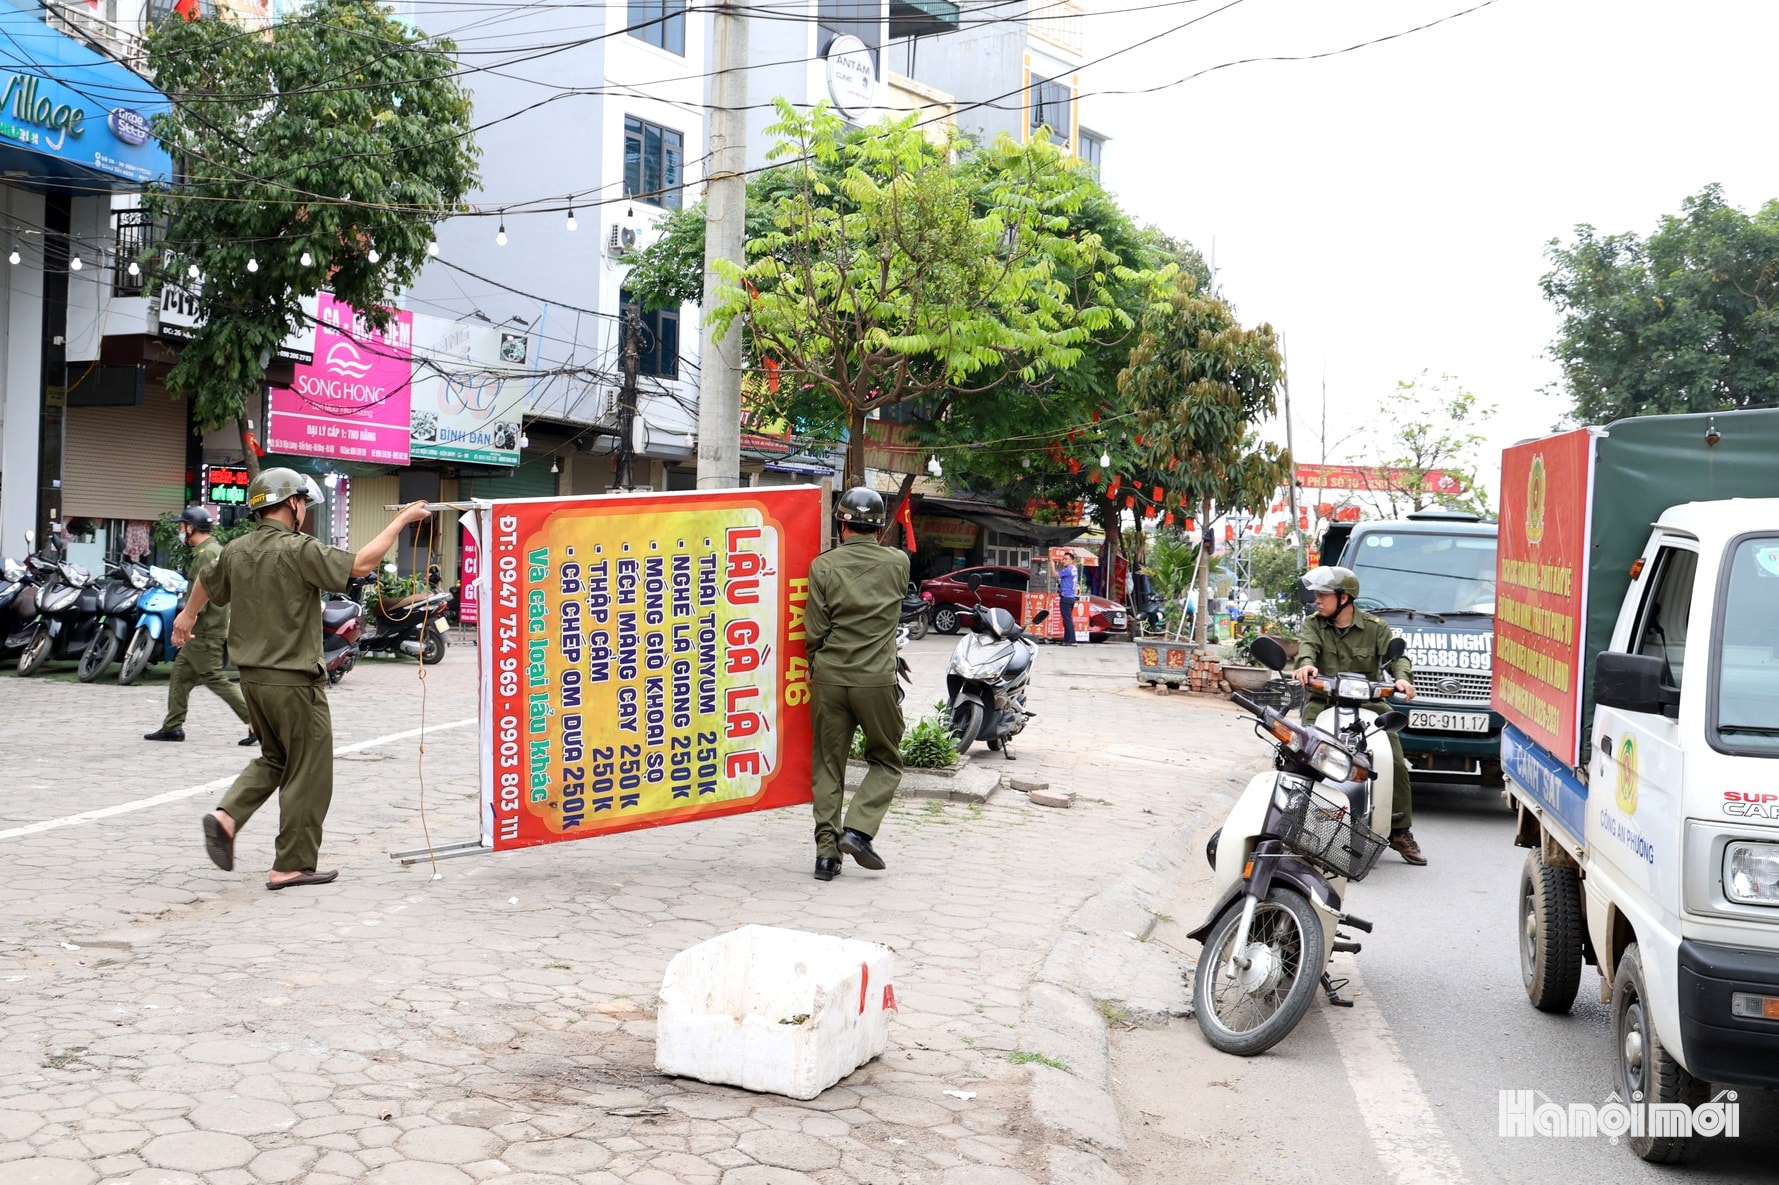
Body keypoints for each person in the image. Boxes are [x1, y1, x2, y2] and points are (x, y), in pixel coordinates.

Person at [174, 467, 434, 890]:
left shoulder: (237, 549)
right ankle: (291, 864)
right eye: (303, 505)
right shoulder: (298, 549)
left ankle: (226, 816)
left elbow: (206, 579)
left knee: (276, 757)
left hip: (252, 679)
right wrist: (401, 520)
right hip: (293, 681)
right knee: (310, 769)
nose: (305, 513)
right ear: (292, 503)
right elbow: (362, 563)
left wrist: (188, 615)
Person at [805, 487, 910, 882]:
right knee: (886, 759)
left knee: (828, 765)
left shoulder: (823, 566)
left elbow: (814, 629)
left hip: (830, 678)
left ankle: (826, 858)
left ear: (841, 524)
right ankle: (858, 830)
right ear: (879, 527)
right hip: (876, 680)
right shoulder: (898, 562)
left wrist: (817, 661)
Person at [1290, 565, 1425, 865]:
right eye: (1316, 595)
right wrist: (1306, 666)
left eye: (1324, 595)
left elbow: (1397, 658)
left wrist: (1402, 678)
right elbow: (1307, 650)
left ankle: (1400, 830)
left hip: (1369, 706)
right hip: (1322, 701)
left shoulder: (1376, 627)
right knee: (1301, 751)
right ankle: (1295, 820)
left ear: (1345, 598)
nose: (1317, 600)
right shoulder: (1313, 624)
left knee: (1394, 758)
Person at [144, 506, 256, 747]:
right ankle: (172, 726)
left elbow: (203, 594)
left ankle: (256, 722)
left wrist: (184, 624)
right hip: (208, 627)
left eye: (182, 526)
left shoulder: (206, 554)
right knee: (181, 675)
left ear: (191, 527)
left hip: (205, 629)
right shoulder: (213, 550)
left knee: (214, 677)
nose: (180, 530)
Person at [1053, 551, 1079, 645]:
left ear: (1072, 560)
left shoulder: (1068, 570)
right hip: (1071, 597)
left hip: (1066, 597)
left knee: (1067, 619)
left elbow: (1054, 574)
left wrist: (1051, 563)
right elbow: (1060, 571)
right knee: (1066, 619)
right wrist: (1060, 563)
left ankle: (1072, 640)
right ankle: (1067, 640)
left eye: (1066, 559)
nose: (1064, 561)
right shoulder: (1073, 569)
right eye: (1063, 559)